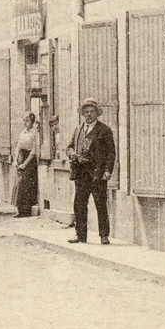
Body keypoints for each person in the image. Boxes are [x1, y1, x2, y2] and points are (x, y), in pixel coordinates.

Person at [66, 98, 116, 244]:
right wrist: (71, 153)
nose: (88, 115)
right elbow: (69, 146)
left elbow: (111, 153)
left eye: (91, 111)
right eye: (86, 112)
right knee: (79, 204)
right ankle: (80, 235)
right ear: (82, 114)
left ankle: (104, 235)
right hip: (80, 173)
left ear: (97, 113)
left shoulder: (104, 130)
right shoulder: (78, 130)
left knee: (100, 204)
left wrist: (108, 171)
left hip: (97, 174)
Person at [13, 112, 40, 217]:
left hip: (29, 160)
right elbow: (18, 147)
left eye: (27, 120)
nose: (25, 123)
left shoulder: (34, 133)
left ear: (32, 121)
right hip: (21, 157)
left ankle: (26, 209)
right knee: (19, 184)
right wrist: (16, 160)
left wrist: (25, 164)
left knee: (26, 184)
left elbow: (33, 151)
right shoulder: (22, 133)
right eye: (24, 120)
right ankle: (20, 209)